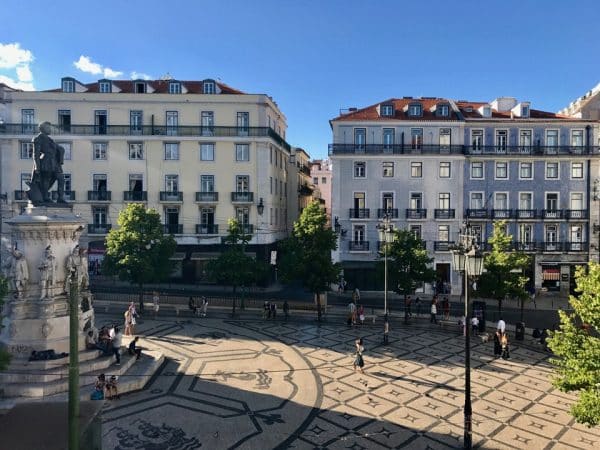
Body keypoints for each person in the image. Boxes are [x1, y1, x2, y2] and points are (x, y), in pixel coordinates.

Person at [28, 121, 66, 205]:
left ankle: (60, 197)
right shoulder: (38, 139)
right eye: (48, 128)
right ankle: (45, 197)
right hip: (46, 161)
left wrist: (60, 150)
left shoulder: (50, 140)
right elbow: (36, 154)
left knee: (61, 178)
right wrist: (37, 167)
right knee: (46, 179)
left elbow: (58, 148)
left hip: (55, 163)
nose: (50, 129)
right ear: (43, 129)